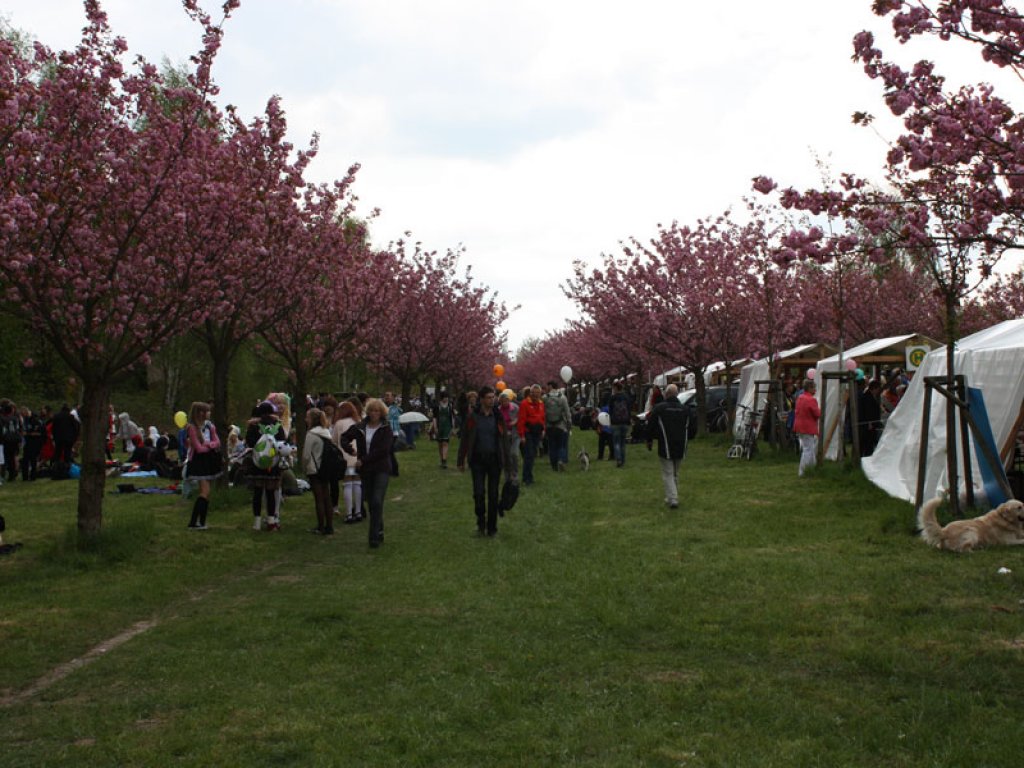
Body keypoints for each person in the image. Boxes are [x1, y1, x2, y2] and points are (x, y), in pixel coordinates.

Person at [457, 386, 512, 537]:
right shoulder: (473, 417)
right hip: (478, 460)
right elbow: (465, 439)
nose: (491, 400)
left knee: (493, 495)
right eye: (488, 397)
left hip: (494, 460)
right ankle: (481, 521)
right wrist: (460, 460)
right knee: (479, 493)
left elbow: (504, 441)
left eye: (493, 397)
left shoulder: (498, 416)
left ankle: (492, 528)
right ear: (481, 399)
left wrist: (508, 463)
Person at [342, 397, 394, 548]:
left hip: (381, 468)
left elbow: (384, 450)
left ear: (382, 412)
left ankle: (373, 537)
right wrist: (349, 449)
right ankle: (379, 529)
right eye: (371, 410)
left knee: (377, 500)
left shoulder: (386, 429)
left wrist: (363, 460)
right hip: (366, 470)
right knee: (371, 502)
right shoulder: (360, 427)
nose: (374, 413)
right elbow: (345, 437)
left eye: (377, 411)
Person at [645, 384, 691, 509]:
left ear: (667, 394)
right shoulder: (685, 409)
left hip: (665, 444)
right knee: (675, 472)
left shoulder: (660, 408)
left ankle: (673, 498)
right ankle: (671, 495)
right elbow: (691, 428)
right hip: (681, 444)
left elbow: (651, 425)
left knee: (668, 472)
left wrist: (649, 440)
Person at [245, 401, 288, 531]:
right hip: (272, 463)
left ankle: (256, 522)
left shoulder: (254, 425)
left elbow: (249, 441)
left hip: (258, 462)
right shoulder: (277, 425)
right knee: (270, 492)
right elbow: (282, 440)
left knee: (258, 493)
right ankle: (271, 520)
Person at [184, 401, 222, 529]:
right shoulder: (192, 427)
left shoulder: (209, 426)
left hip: (209, 460)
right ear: (200, 413)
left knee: (207, 491)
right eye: (206, 411)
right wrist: (208, 446)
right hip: (199, 461)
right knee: (204, 491)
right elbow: (198, 449)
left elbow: (217, 442)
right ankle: (194, 522)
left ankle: (202, 521)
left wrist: (209, 445)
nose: (208, 413)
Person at [302, 407, 335, 535]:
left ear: (311, 419)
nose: (305, 419)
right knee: (327, 497)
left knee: (319, 499)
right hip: (326, 467)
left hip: (314, 468)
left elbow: (306, 455)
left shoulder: (311, 434)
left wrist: (304, 468)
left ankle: (321, 526)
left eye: (307, 417)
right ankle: (330, 526)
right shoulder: (326, 432)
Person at [334, 400, 364, 525]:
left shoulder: (339, 424)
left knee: (347, 485)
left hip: (345, 458)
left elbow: (334, 441)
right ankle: (358, 511)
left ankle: (349, 514)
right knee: (357, 483)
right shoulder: (358, 423)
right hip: (357, 458)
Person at [517, 384, 546, 486]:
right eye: (534, 393)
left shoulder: (541, 403)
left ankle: (529, 476)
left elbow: (542, 418)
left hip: (537, 432)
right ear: (531, 393)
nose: (536, 395)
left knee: (533, 455)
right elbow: (521, 420)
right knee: (528, 455)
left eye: (538, 393)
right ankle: (526, 478)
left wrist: (543, 430)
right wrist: (522, 435)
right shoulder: (525, 404)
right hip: (528, 432)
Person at [793, 378, 821, 477]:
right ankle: (802, 471)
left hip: (799, 426)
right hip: (807, 427)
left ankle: (812, 468)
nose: (815, 390)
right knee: (808, 449)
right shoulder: (812, 400)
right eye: (814, 388)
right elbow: (817, 413)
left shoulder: (800, 397)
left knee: (809, 447)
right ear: (809, 388)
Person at [543, 380, 571, 472]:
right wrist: (569, 423)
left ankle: (554, 465)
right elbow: (567, 412)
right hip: (560, 425)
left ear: (550, 387)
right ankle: (560, 460)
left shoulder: (545, 398)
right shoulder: (562, 397)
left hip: (549, 425)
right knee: (561, 445)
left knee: (552, 446)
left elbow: (542, 413)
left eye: (547, 387)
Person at [608, 380, 632, 467]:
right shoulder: (626, 397)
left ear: (615, 388)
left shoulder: (613, 398)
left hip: (615, 423)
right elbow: (629, 410)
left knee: (616, 442)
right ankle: (623, 460)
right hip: (625, 422)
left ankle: (618, 459)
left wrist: (611, 421)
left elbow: (610, 411)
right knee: (622, 443)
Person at [431, 391, 456, 469]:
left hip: (447, 426)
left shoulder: (450, 406)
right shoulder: (437, 406)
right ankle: (442, 459)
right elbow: (434, 417)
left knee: (445, 443)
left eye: (447, 397)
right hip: (439, 426)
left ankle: (444, 460)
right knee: (440, 444)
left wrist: (453, 427)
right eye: (445, 397)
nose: (446, 399)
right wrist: (435, 427)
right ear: (442, 398)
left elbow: (452, 417)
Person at [498, 389, 520, 480]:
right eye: (503, 401)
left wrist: (515, 421)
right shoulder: (498, 410)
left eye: (507, 400)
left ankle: (514, 473)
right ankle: (507, 475)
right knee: (505, 456)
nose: (505, 402)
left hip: (515, 435)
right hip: (503, 436)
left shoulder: (515, 408)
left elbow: (520, 417)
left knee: (514, 454)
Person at [858, 379, 882, 457]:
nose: (878, 391)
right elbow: (868, 411)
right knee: (867, 442)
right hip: (868, 425)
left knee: (868, 442)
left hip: (871, 424)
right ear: (874, 388)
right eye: (877, 389)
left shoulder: (869, 396)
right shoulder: (867, 397)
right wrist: (869, 422)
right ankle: (866, 456)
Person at [20, 406, 43, 481]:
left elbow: (39, 433)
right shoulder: (26, 420)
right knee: (25, 460)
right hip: (27, 443)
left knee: (33, 460)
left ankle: (33, 476)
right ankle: (25, 477)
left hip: (34, 443)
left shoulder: (35, 420)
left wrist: (27, 434)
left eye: (23, 414)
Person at [0, 399, 22, 482]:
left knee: (5, 458)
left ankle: (4, 474)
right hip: (15, 439)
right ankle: (12, 475)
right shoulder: (15, 418)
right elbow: (19, 428)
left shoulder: (2, 419)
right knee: (13, 457)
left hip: (6, 439)